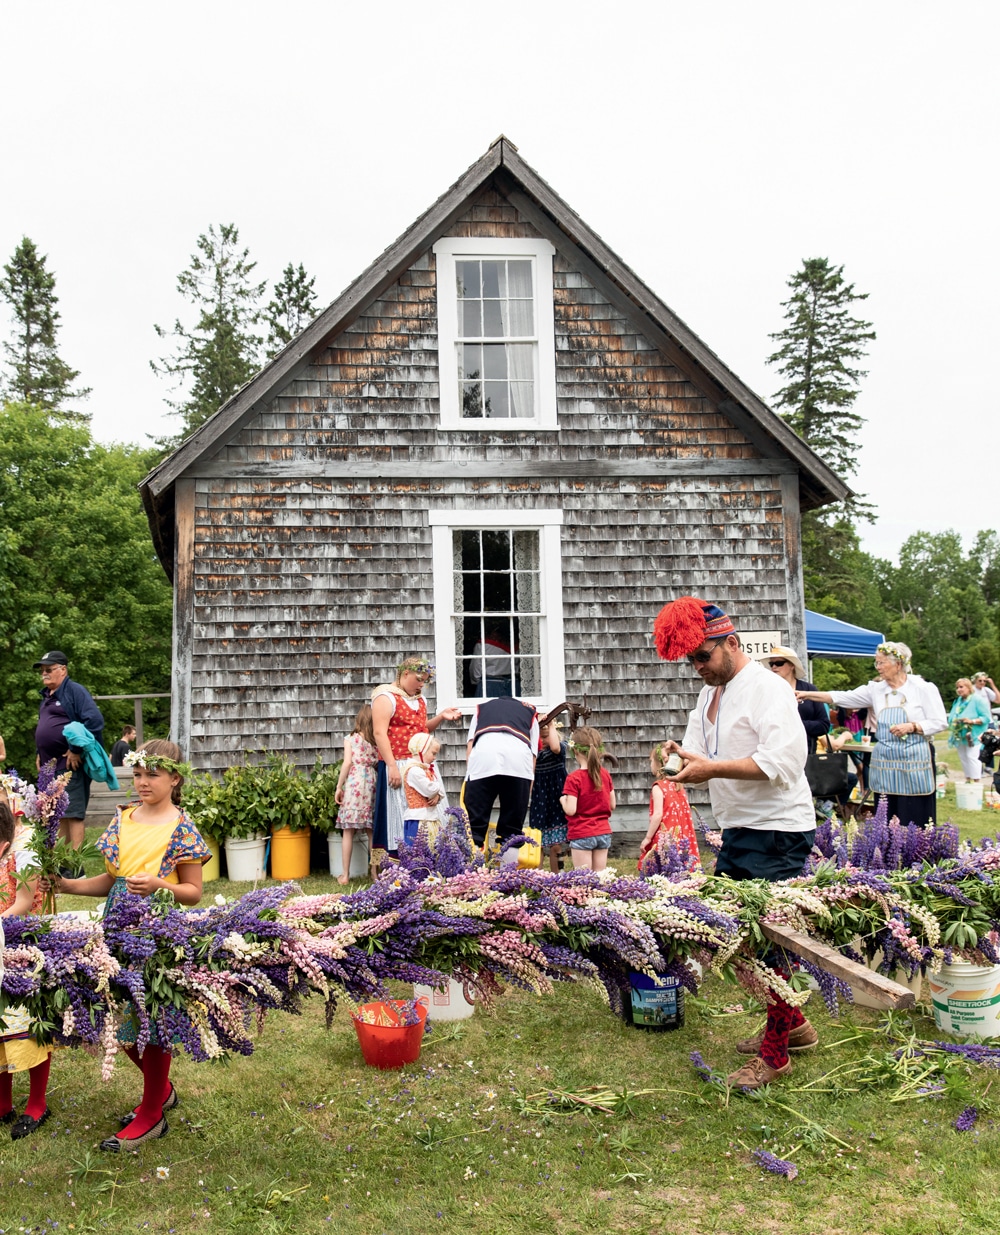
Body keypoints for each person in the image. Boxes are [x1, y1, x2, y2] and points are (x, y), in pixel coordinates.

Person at [653, 595, 816, 1090]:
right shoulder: (709, 694)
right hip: (741, 830)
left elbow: (785, 762)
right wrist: (678, 759)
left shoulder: (767, 688)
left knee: (772, 944)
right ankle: (798, 1027)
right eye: (690, 661)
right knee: (736, 937)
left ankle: (775, 1055)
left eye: (703, 656)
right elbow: (698, 754)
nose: (697, 667)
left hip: (778, 829)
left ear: (732, 642)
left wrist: (710, 768)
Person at [54, 740, 210, 1151]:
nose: (141, 783)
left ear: (174, 779)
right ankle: (161, 1090)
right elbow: (109, 882)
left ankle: (151, 1113)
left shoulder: (181, 828)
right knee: (117, 1016)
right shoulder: (123, 819)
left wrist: (162, 885)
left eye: (151, 775)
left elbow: (193, 891)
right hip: (116, 927)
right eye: (137, 775)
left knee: (150, 1017)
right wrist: (69, 885)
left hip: (156, 930)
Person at [797, 642, 948, 828]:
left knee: (914, 810)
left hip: (914, 759)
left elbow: (940, 721)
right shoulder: (876, 690)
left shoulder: (922, 688)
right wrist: (808, 694)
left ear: (898, 664)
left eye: (882, 663)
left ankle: (917, 849)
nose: (878, 667)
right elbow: (842, 696)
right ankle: (888, 852)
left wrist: (913, 726)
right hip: (886, 761)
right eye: (876, 663)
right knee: (887, 809)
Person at [0, 799, 53, 1140]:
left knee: (29, 1030)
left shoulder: (23, 854)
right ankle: (3, 1102)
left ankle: (37, 1102)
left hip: (22, 950)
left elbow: (22, 902)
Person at [371, 658, 461, 857]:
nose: (421, 684)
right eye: (419, 679)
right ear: (404, 674)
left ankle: (434, 858)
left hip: (422, 764)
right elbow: (379, 733)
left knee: (430, 809)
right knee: (401, 811)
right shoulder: (385, 697)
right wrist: (391, 766)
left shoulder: (420, 700)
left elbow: (422, 729)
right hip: (399, 763)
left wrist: (440, 717)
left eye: (425, 681)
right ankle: (397, 860)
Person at [33, 650, 104, 854]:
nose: (44, 674)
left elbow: (95, 720)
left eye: (49, 669)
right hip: (50, 765)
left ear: (63, 669)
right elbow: (45, 726)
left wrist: (75, 750)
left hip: (70, 764)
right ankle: (63, 862)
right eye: (42, 671)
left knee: (73, 813)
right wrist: (40, 752)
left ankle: (76, 865)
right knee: (58, 813)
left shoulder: (74, 691)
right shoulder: (47, 696)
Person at [464, 696, 540, 847]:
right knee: (512, 829)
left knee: (474, 826)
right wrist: (526, 789)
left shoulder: (480, 710)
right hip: (518, 762)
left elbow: (470, 746)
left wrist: (470, 776)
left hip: (483, 759)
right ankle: (508, 868)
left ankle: (471, 867)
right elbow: (533, 755)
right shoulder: (531, 714)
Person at [559, 726, 615, 871]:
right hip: (603, 832)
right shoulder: (605, 774)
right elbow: (612, 805)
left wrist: (562, 800)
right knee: (599, 879)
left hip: (582, 833)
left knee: (584, 880)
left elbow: (571, 810)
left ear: (575, 751)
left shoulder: (574, 778)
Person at [334, 704, 377, 885]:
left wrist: (339, 786)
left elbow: (347, 763)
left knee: (348, 831)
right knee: (371, 831)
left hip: (354, 783)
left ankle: (345, 874)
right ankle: (374, 873)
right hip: (372, 782)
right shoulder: (377, 739)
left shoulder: (351, 739)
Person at [639, 744, 700, 870]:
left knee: (661, 871)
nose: (650, 765)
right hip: (683, 838)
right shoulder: (679, 787)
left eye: (651, 761)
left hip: (666, 839)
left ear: (658, 764)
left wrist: (647, 838)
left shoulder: (659, 787)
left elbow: (658, 815)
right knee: (683, 871)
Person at [765, 646, 829, 754]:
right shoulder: (767, 691)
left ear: (791, 665)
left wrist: (794, 724)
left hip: (807, 754)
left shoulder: (809, 690)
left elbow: (824, 726)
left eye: (779, 663)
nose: (774, 667)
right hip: (776, 753)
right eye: (771, 664)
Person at [530, 715, 568, 873]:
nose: (543, 741)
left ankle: (556, 877)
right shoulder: (534, 756)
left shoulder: (560, 749)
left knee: (556, 846)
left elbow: (555, 747)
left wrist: (550, 723)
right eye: (539, 738)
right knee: (537, 843)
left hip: (557, 800)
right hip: (540, 801)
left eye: (545, 737)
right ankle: (536, 877)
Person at [400, 732, 448, 840]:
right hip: (418, 820)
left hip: (430, 818)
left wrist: (438, 795)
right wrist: (437, 789)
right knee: (417, 851)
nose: (434, 757)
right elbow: (429, 789)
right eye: (433, 753)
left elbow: (438, 791)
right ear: (422, 751)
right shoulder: (414, 771)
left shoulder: (424, 769)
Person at [948, 679, 991, 783]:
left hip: (974, 735)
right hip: (960, 734)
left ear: (969, 687)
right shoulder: (958, 701)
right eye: (957, 687)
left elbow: (986, 718)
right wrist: (955, 720)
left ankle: (976, 781)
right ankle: (968, 779)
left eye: (961, 687)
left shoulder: (977, 700)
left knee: (972, 757)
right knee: (963, 757)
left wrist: (972, 721)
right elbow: (953, 715)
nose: (959, 689)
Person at [468, 625, 515, 697]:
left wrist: (477, 682)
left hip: (490, 684)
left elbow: (476, 669)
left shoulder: (483, 645)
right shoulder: (519, 645)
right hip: (513, 683)